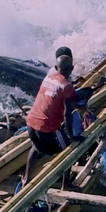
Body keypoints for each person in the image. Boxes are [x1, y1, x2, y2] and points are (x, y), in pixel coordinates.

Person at [23, 54, 79, 185]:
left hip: (30, 124)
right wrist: (71, 136)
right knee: (69, 150)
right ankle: (66, 184)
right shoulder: (67, 86)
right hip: (47, 130)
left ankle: (26, 178)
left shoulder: (48, 78)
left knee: (35, 148)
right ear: (71, 68)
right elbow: (67, 114)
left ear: (55, 67)